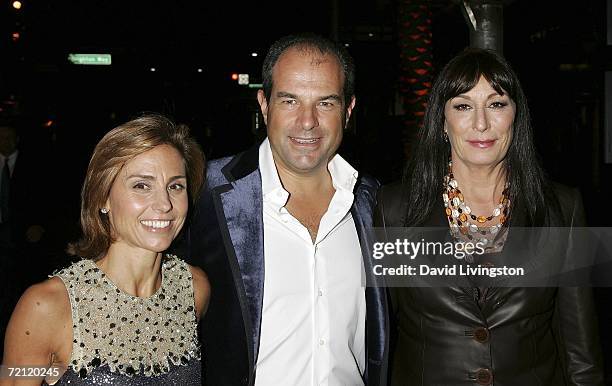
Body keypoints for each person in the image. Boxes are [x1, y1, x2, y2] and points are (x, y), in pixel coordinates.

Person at [375, 47, 604, 385]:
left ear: (516, 115)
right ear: (442, 121)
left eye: (497, 104)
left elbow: (581, 356)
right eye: (463, 106)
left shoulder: (561, 208)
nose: (481, 123)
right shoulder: (393, 209)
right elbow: (380, 340)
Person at [183, 33, 388, 385]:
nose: (307, 121)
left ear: (348, 110)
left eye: (325, 103)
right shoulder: (204, 193)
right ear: (264, 105)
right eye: (290, 100)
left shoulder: (375, 203)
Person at [1, 114, 210, 385]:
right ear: (103, 198)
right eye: (141, 185)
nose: (164, 204)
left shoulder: (194, 288)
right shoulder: (47, 307)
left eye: (175, 186)